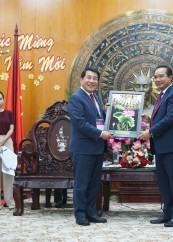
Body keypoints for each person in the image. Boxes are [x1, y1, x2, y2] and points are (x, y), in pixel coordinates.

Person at [138, 65, 173, 227]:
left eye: (161, 76)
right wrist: (148, 119)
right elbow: (162, 118)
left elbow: (170, 119)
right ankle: (167, 214)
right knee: (164, 183)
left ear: (170, 78)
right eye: (155, 77)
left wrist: (150, 131)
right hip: (161, 147)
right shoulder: (162, 95)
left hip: (172, 146)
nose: (158, 79)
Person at [68, 67, 113, 226]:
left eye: (95, 79)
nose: (92, 81)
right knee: (82, 183)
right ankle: (80, 214)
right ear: (81, 79)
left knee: (94, 183)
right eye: (89, 78)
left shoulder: (94, 98)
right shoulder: (76, 98)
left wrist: (106, 111)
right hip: (83, 149)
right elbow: (80, 123)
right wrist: (100, 134)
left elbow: (97, 120)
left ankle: (91, 212)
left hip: (96, 148)